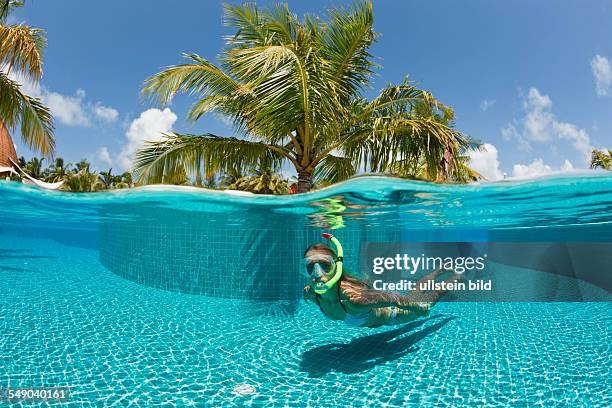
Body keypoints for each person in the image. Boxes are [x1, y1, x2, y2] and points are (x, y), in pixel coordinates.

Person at [302, 234, 462, 328]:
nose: (317, 274)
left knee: (430, 299)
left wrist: (421, 311)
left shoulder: (353, 299)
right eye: (310, 267)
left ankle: (457, 277)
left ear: (336, 267)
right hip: (383, 312)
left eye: (324, 265)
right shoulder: (310, 293)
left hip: (396, 314)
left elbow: (393, 299)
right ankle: (438, 271)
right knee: (415, 292)